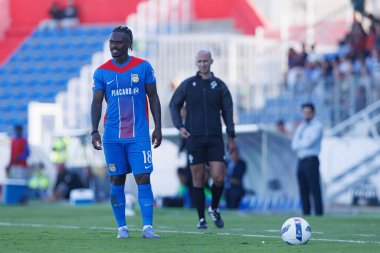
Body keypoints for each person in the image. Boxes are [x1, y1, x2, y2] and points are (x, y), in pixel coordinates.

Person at [91, 26, 162, 239]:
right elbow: (96, 103)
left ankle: (147, 227)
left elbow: (154, 97)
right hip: (112, 136)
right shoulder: (101, 72)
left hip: (139, 135)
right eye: (112, 42)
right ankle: (122, 227)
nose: (114, 46)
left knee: (143, 176)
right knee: (117, 179)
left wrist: (158, 127)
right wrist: (94, 130)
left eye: (119, 42)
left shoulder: (143, 68)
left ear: (128, 44)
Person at [169, 49, 236, 229]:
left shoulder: (219, 85)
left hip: (215, 137)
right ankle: (201, 218)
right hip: (194, 138)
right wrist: (179, 126)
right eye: (199, 61)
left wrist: (231, 136)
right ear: (196, 63)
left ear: (211, 62)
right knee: (197, 179)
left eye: (205, 61)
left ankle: (213, 207)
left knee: (218, 177)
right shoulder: (189, 85)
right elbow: (173, 105)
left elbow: (228, 111)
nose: (202, 64)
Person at [291, 103, 324, 216]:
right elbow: (294, 145)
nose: (306, 114)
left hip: (311, 160)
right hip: (301, 160)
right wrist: (302, 142)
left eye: (308, 112)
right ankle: (306, 213)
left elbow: (309, 143)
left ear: (313, 113)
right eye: (304, 112)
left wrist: (301, 142)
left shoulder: (317, 126)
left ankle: (319, 213)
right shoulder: (301, 127)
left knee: (314, 188)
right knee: (303, 189)